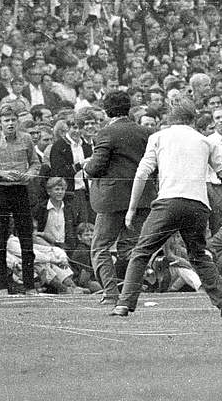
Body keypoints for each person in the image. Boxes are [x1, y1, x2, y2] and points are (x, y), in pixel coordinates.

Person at [109, 99, 222, 317]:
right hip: (198, 205)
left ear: (170, 117)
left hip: (168, 203)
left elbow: (142, 174)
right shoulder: (204, 141)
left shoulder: (159, 137)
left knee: (142, 252)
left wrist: (132, 209)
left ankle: (124, 303)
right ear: (193, 118)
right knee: (199, 254)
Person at [83, 91, 154, 306]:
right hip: (141, 197)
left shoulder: (106, 133)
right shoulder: (146, 133)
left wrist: (85, 166)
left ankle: (111, 293)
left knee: (100, 247)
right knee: (132, 248)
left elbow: (96, 167)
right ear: (128, 107)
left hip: (111, 200)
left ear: (106, 110)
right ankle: (131, 292)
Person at [0, 103, 40, 295]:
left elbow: (35, 163)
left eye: (13, 120)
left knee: (26, 237)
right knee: (0, 240)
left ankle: (30, 286)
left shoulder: (26, 139)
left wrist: (29, 175)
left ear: (18, 122)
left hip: (21, 191)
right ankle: (3, 287)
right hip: (1, 191)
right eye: (6, 120)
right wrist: (1, 174)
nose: (10, 124)